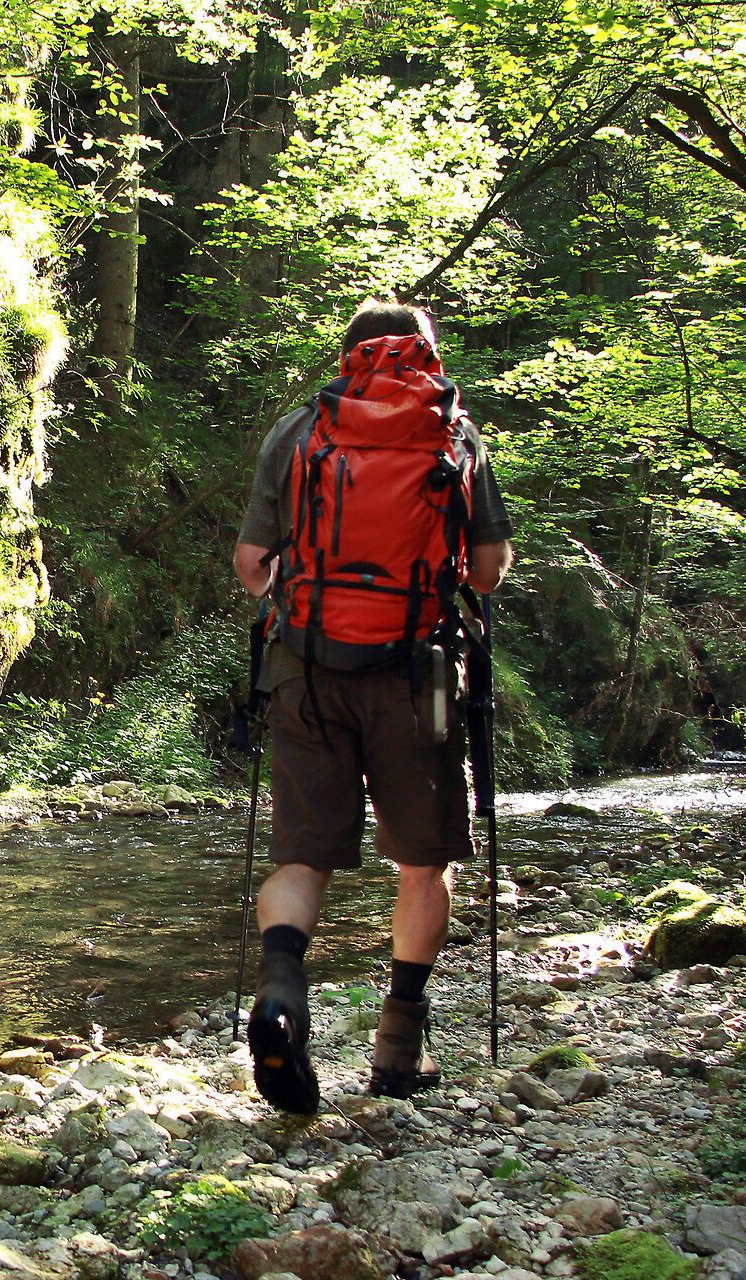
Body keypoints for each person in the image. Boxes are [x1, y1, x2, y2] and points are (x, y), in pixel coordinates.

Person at [230, 300, 514, 1114]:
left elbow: (254, 563)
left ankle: (282, 989)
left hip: (305, 674)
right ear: (426, 351)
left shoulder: (301, 429)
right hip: (416, 679)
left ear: (347, 354)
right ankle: (398, 1048)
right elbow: (488, 570)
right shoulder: (452, 430)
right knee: (424, 864)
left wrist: (299, 601)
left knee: (302, 856)